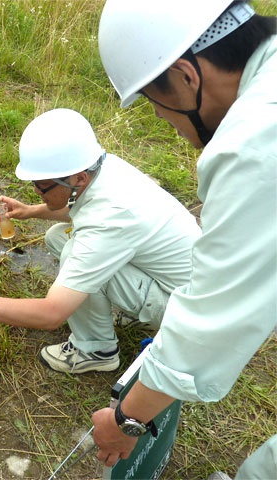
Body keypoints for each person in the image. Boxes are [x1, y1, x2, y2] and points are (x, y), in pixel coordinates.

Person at [92, 1, 277, 478]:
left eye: (158, 106)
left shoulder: (254, 142)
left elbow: (211, 320)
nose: (165, 121)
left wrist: (126, 420)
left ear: (186, 76)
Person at [0, 108, 201, 374]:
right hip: (177, 279)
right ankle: (129, 310)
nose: (36, 191)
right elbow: (82, 210)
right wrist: (29, 211)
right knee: (59, 237)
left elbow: (52, 314)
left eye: (42, 186)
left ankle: (96, 351)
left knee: (73, 250)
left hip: (186, 309)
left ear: (79, 178)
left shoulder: (113, 215)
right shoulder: (102, 168)